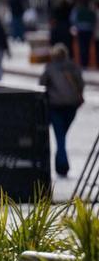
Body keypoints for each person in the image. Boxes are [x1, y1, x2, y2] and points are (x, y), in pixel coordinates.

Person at [40, 43, 85, 176]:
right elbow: (81, 83)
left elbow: (42, 86)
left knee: (60, 137)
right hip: (71, 106)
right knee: (61, 136)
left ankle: (62, 166)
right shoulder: (73, 66)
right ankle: (61, 163)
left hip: (56, 106)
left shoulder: (50, 68)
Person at [72, 0, 97, 68]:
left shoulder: (79, 11)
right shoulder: (91, 11)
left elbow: (74, 20)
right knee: (87, 47)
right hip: (88, 30)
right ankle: (85, 62)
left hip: (82, 30)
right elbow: (94, 21)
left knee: (82, 47)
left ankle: (84, 63)